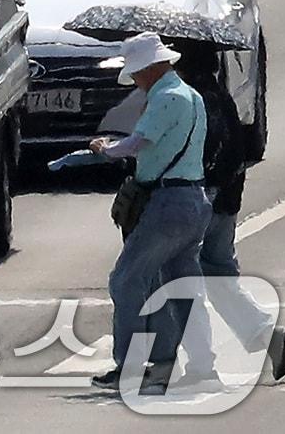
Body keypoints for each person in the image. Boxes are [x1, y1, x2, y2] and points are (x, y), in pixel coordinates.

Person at [88, 33, 214, 391]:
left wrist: (106, 149)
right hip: (192, 199)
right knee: (182, 287)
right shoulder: (191, 96)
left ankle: (129, 367)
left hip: (168, 203)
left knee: (126, 279)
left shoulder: (167, 98)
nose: (134, 80)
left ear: (153, 67)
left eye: (137, 73)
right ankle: (200, 364)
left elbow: (140, 142)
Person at [175, 45, 285, 382]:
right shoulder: (222, 98)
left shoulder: (193, 101)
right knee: (218, 278)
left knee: (183, 281)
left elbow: (197, 156)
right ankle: (270, 337)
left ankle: (200, 366)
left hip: (201, 201)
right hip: (226, 203)